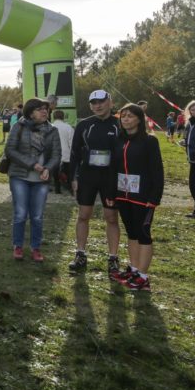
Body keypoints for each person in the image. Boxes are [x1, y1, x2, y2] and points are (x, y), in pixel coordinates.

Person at [109, 103, 164, 291]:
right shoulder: (119, 140)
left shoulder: (149, 141)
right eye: (123, 116)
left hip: (143, 196)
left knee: (143, 234)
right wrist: (111, 193)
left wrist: (155, 196)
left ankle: (143, 276)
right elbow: (114, 168)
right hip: (124, 195)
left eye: (130, 116)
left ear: (139, 119)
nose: (125, 119)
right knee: (131, 233)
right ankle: (133, 269)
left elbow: (157, 170)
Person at [68, 89, 122, 274]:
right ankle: (80, 253)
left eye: (101, 101)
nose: (97, 106)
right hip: (87, 176)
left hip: (110, 178)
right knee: (83, 215)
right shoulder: (84, 125)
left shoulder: (119, 124)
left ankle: (113, 258)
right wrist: (73, 177)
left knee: (111, 217)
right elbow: (74, 153)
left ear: (110, 102)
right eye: (93, 103)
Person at [5, 98, 61, 261]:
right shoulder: (19, 126)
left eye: (46, 109)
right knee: (21, 213)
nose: (45, 111)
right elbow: (10, 150)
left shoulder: (53, 130)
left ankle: (36, 248)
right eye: (39, 109)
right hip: (19, 176)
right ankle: (18, 246)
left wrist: (48, 169)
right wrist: (32, 164)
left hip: (42, 179)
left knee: (37, 215)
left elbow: (57, 155)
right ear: (30, 113)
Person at [51, 108, 74, 194]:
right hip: (66, 154)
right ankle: (71, 188)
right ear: (63, 117)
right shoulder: (68, 127)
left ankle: (57, 189)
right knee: (69, 173)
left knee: (55, 173)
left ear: (53, 117)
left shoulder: (50, 127)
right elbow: (72, 142)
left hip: (54, 155)